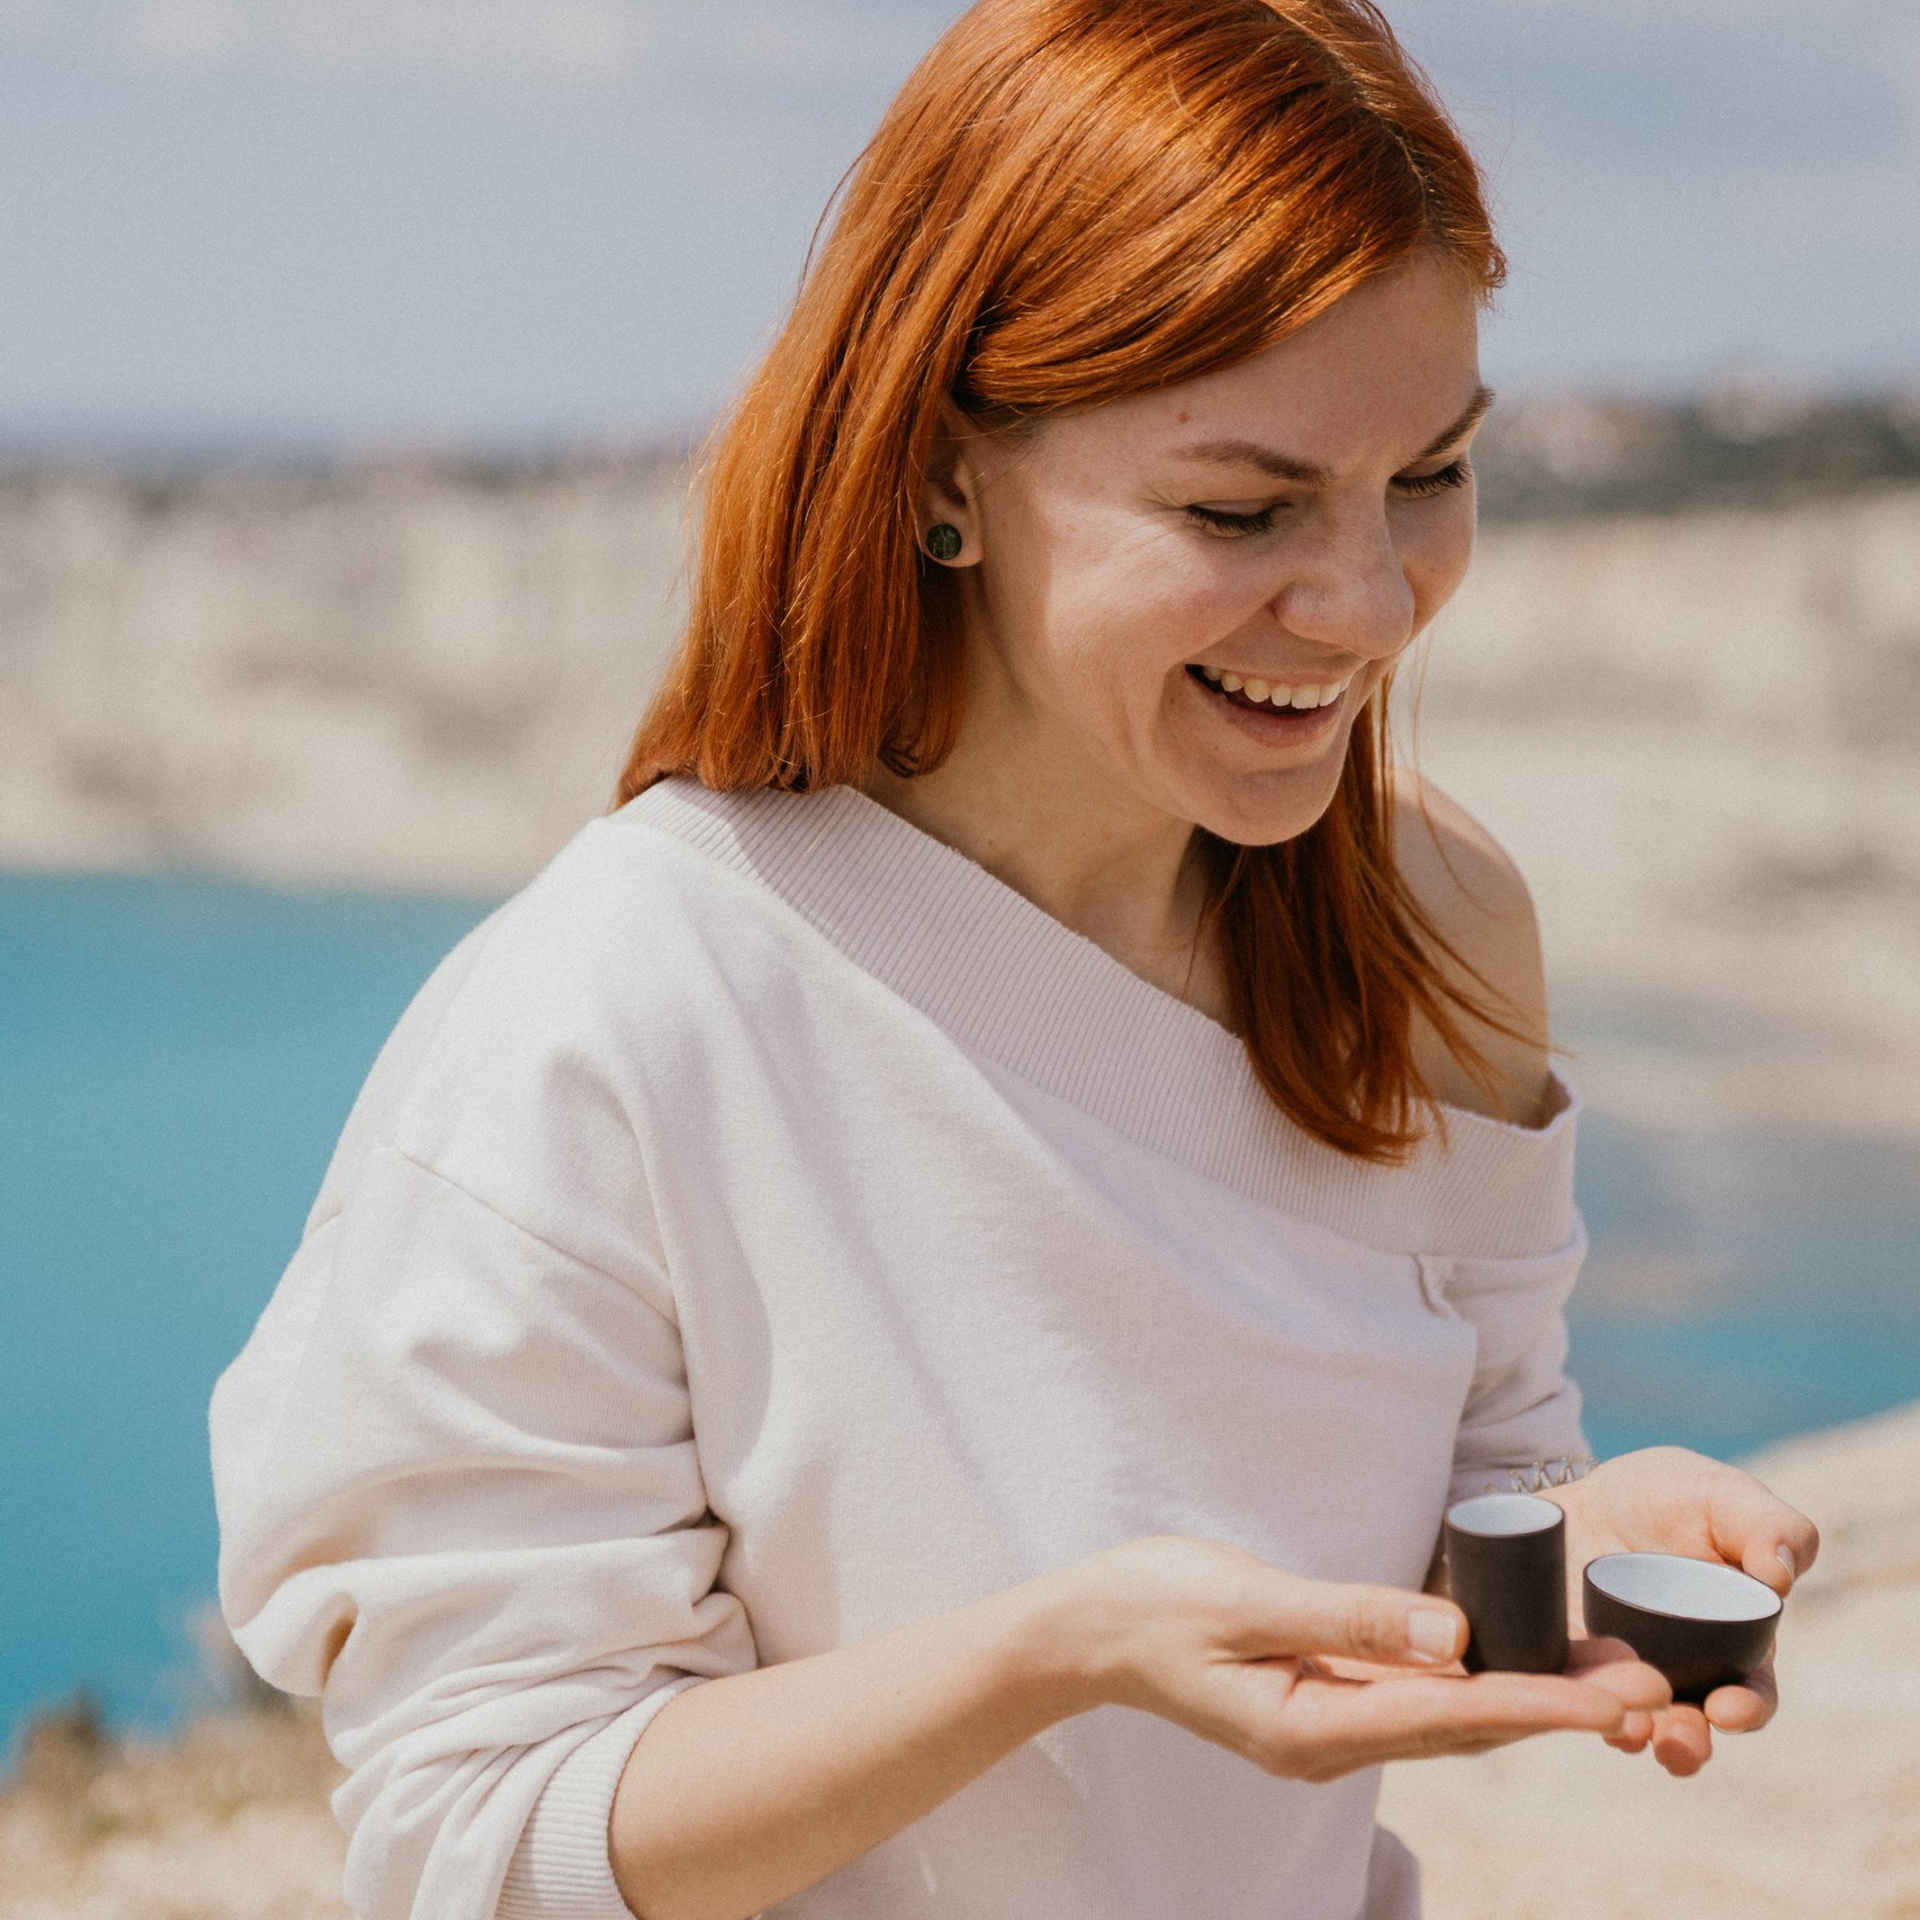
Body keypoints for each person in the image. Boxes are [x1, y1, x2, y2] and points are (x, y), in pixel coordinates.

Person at [211, 3, 1818, 1917]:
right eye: (1244, 507)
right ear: (944, 470)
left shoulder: (1431, 927)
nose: (1375, 603)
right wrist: (1054, 1656)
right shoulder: (615, 1015)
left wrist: (1584, 1544)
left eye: (1434, 477)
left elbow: (1484, 1477)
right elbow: (482, 1846)